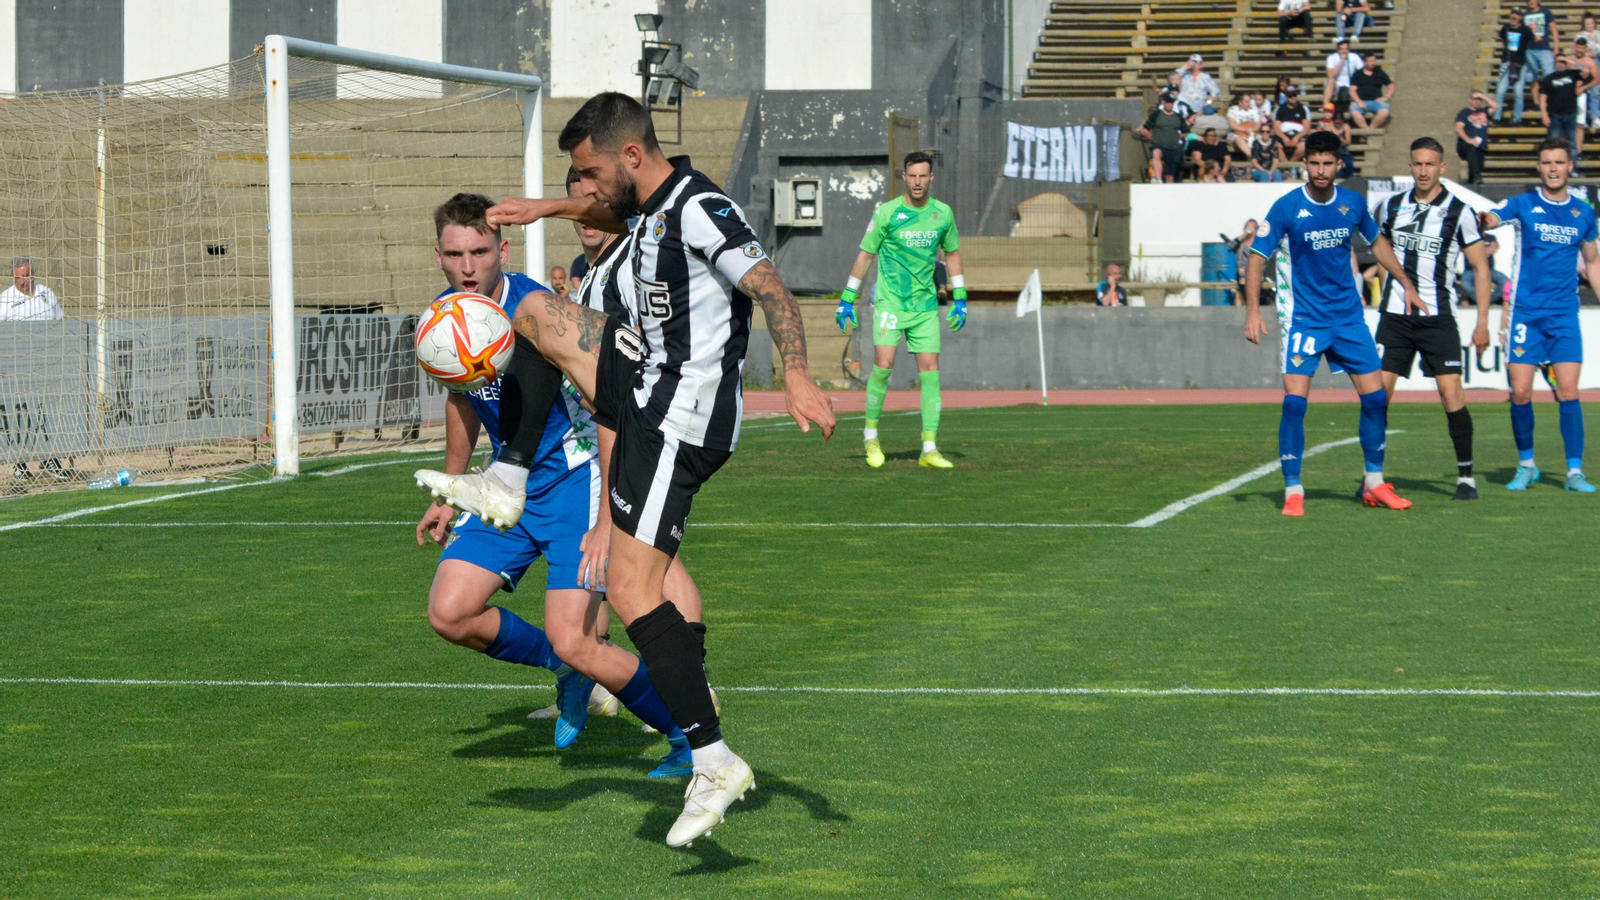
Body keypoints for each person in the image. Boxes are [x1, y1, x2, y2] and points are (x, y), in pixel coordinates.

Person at [415, 92, 835, 848]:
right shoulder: (645, 211)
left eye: (587, 174)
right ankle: (506, 482)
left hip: (681, 412)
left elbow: (769, 286)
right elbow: (611, 214)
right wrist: (543, 209)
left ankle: (709, 753)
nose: (583, 189)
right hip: (641, 389)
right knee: (538, 316)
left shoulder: (699, 207)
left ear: (630, 158)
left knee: (636, 588)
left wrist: (797, 376)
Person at [413, 192, 693, 778]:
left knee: (579, 638)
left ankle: (689, 737)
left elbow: (609, 402)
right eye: (456, 253)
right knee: (450, 612)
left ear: (502, 249)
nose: (469, 266)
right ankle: (566, 673)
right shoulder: (446, 318)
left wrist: (606, 520)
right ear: (438, 255)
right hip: (506, 487)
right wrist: (452, 491)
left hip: (575, 480)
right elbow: (463, 402)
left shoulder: (538, 310)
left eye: (481, 251)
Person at [1242, 130, 1412, 516]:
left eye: (1327, 163)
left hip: (1349, 319)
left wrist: (1405, 282)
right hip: (1305, 321)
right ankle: (1293, 489)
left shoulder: (1352, 202)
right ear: (1305, 164)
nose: (1320, 170)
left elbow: (1378, 243)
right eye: (1314, 163)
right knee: (1294, 406)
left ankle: (1373, 482)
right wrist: (1253, 311)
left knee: (1375, 399)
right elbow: (1256, 258)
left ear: (1339, 164)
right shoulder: (1286, 207)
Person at [1368, 137, 1495, 501]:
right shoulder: (1390, 207)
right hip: (1395, 316)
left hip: (1439, 318)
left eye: (1430, 164)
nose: (1423, 170)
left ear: (1442, 168)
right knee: (1378, 397)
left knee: (1450, 394)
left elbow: (1480, 267)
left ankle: (1466, 477)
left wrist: (1482, 322)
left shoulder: (1460, 211)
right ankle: (1373, 478)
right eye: (1417, 164)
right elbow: (1380, 253)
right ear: (1410, 166)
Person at [1478, 137, 1600, 492]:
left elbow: (1592, 261)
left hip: (1564, 315)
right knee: (1520, 393)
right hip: (1525, 315)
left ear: (1569, 166)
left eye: (1559, 162)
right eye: (1547, 162)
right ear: (1539, 166)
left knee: (1568, 391)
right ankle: (1527, 464)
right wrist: (1485, 219)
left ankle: (1574, 472)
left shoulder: (1583, 212)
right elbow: (1493, 215)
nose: (1553, 169)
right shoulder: (1523, 204)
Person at [836, 150, 965, 469]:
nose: (918, 181)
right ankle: (870, 438)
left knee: (931, 373)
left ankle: (929, 448)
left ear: (931, 178)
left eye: (924, 175)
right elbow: (865, 255)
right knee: (883, 365)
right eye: (913, 175)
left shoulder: (943, 214)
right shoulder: (887, 213)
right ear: (904, 177)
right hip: (891, 303)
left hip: (924, 307)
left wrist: (960, 296)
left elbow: (952, 255)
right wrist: (847, 297)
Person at [1535, 56, 1592, 152]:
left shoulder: (1573, 74)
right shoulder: (1548, 79)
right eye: (1558, 62)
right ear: (1554, 63)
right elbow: (1543, 98)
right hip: (1555, 116)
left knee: (1572, 145)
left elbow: (1586, 71)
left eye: (1562, 62)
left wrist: (1569, 61)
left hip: (1571, 114)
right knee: (1553, 144)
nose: (1560, 64)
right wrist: (1544, 115)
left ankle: (1572, 167)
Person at [1138, 92, 1191, 182]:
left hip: (1174, 148)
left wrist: (1177, 137)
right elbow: (1145, 129)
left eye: (1171, 102)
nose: (1169, 104)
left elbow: (1185, 131)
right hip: (1159, 145)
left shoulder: (1178, 117)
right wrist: (1153, 138)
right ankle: (1158, 179)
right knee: (1156, 153)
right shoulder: (1156, 115)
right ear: (1163, 102)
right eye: (1167, 102)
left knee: (1170, 176)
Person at [1498, 9, 1537, 123]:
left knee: (1518, 92)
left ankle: (1517, 118)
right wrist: (1504, 46)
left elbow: (1533, 38)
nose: (1514, 16)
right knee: (1500, 91)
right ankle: (1497, 117)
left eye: (1517, 14)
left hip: (1520, 64)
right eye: (1513, 14)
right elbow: (1501, 37)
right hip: (1506, 62)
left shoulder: (1525, 30)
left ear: (1520, 17)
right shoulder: (1505, 28)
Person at [1455, 90, 1499, 184]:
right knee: (1472, 152)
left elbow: (1496, 107)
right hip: (1466, 145)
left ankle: (1472, 182)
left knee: (1478, 167)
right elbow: (1458, 128)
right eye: (1475, 99)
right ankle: (1476, 178)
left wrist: (1484, 97)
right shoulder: (1464, 113)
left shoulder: (1485, 111)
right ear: (1470, 99)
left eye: (1480, 99)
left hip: (1480, 146)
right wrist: (1468, 139)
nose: (1478, 101)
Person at [1348, 51, 1395, 130]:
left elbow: (1391, 85)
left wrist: (1387, 97)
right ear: (1364, 62)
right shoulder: (1358, 74)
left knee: (1385, 111)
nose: (1373, 63)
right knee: (1354, 112)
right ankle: (1367, 131)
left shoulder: (1380, 73)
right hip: (1361, 101)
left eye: (1374, 61)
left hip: (1376, 102)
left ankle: (1369, 130)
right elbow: (1352, 90)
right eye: (1370, 61)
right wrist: (1359, 101)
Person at [1461, 234, 1510, 305]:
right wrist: (1484, 251)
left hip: (1489, 269)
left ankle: (1490, 300)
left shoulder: (1490, 237)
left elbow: (1494, 247)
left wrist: (1478, 251)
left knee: (1506, 282)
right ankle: (1480, 301)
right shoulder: (1467, 236)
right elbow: (1465, 249)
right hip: (1471, 270)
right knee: (1465, 283)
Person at [1524, 0, 1558, 80]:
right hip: (1529, 49)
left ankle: (1548, 92)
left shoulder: (1546, 12)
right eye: (1529, 0)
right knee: (1531, 78)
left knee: (1549, 74)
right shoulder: (1524, 15)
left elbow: (1554, 30)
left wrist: (1556, 48)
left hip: (1544, 49)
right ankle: (1535, 93)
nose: (1531, 2)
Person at [1324, 40, 1362, 112]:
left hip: (1351, 84)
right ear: (1338, 50)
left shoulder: (1354, 57)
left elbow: (1361, 71)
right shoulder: (1332, 57)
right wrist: (1342, 61)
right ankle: (1326, 105)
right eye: (1342, 49)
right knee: (1330, 80)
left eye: (1346, 49)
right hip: (1336, 83)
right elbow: (1330, 75)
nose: (1344, 51)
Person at [1274, 87, 1310, 163]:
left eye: (1294, 95)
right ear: (1286, 97)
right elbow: (1276, 127)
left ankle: (1290, 164)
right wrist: (1284, 137)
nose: (1293, 97)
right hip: (1283, 136)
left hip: (1299, 136)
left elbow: (1307, 128)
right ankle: (1286, 165)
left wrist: (1297, 137)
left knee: (1303, 146)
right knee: (1275, 146)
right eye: (1290, 96)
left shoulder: (1303, 108)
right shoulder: (1280, 109)